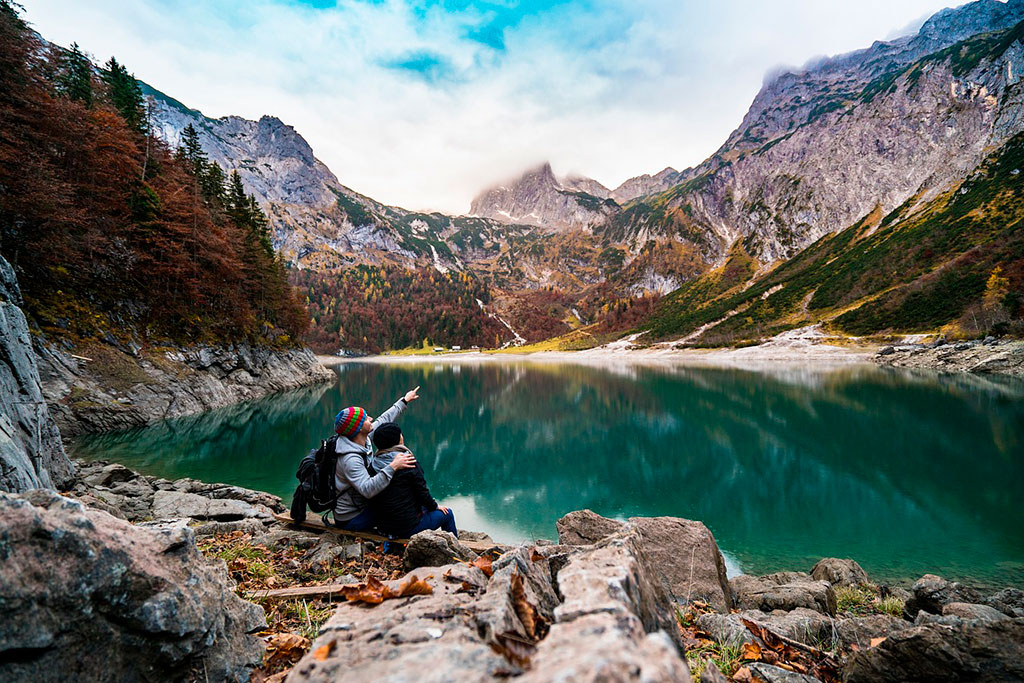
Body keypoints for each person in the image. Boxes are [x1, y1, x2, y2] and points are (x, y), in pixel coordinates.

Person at [332, 386, 420, 531]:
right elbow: (367, 489)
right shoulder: (350, 459)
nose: (371, 419)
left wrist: (404, 400)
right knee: (400, 510)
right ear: (359, 428)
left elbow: (384, 419)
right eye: (366, 418)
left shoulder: (361, 438)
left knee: (400, 502)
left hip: (361, 505)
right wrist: (393, 466)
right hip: (351, 517)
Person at [369, 422, 457, 538]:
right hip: (407, 528)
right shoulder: (409, 463)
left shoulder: (373, 464)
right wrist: (435, 507)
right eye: (400, 434)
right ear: (398, 439)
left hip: (383, 527)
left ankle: (390, 545)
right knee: (447, 514)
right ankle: (456, 550)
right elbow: (422, 493)